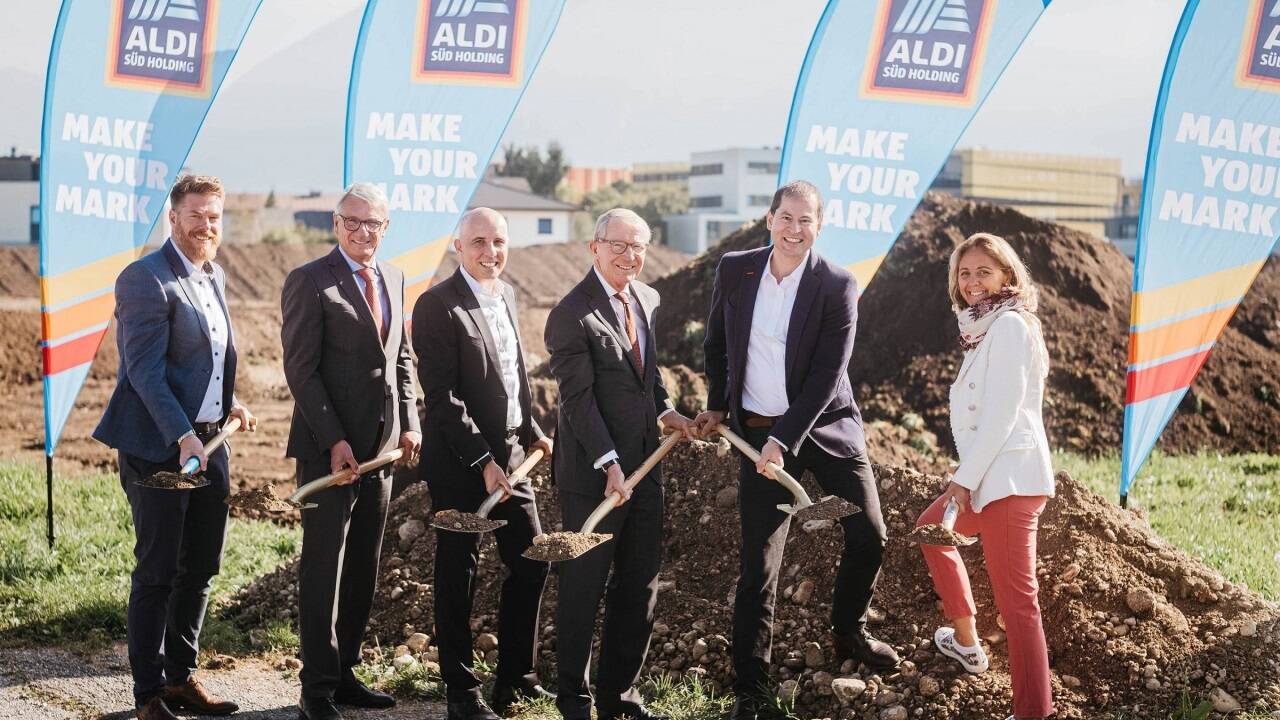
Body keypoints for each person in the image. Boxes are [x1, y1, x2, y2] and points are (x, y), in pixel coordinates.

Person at [693, 180, 898, 720]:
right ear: (769, 219)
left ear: (819, 226)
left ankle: (849, 632)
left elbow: (828, 376)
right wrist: (718, 405)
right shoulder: (734, 269)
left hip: (825, 429)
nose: (793, 229)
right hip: (756, 431)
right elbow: (716, 344)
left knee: (869, 535)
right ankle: (750, 687)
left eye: (805, 221)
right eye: (786, 217)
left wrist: (785, 441)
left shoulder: (837, 284)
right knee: (760, 560)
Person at [94, 174, 257, 720]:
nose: (206, 226)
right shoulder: (145, 279)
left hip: (210, 443)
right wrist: (184, 432)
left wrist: (224, 406)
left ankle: (181, 678)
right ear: (174, 218)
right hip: (160, 446)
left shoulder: (215, 276)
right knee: (158, 568)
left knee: (202, 566)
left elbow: (207, 359)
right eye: (196, 216)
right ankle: (147, 697)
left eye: (215, 216)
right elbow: (143, 371)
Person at [544, 208, 695, 720]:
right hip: (594, 475)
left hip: (645, 467)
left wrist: (669, 412)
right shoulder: (571, 313)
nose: (630, 256)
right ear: (595, 247)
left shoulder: (648, 299)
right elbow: (577, 400)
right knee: (584, 589)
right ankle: (574, 699)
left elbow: (648, 378)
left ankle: (620, 696)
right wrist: (608, 462)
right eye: (619, 246)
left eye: (639, 247)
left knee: (639, 584)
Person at [281, 182, 422, 720]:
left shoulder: (395, 277)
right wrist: (334, 441)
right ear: (336, 224)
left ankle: (344, 675)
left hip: (382, 453)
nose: (364, 232)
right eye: (353, 222)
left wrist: (410, 424)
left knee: (363, 565)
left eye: (375, 224)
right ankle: (314, 690)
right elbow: (301, 370)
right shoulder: (310, 281)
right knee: (324, 569)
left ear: (386, 228)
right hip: (328, 451)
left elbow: (401, 359)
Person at [413, 207, 555, 720]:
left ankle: (516, 679)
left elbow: (515, 376)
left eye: (498, 241)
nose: (490, 252)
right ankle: (461, 691)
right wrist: (482, 459)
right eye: (478, 242)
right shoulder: (437, 305)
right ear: (457, 246)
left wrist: (535, 431)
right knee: (459, 573)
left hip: (512, 458)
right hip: (459, 461)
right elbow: (443, 397)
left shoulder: (507, 294)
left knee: (531, 561)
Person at [914, 232, 1055, 720]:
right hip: (988, 477)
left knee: (1018, 605)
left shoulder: (1011, 326)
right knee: (933, 532)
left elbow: (1001, 414)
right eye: (965, 272)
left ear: (1008, 276)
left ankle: (1034, 711)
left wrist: (961, 480)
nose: (973, 282)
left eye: (984, 272)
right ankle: (969, 642)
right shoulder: (982, 328)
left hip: (1009, 480)